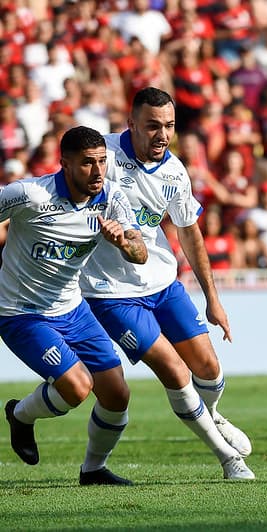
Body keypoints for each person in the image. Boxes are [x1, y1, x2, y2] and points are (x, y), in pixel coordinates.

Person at [79, 87, 255, 479]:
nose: (162, 135)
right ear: (131, 125)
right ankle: (228, 459)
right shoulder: (100, 157)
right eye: (153, 126)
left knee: (208, 368)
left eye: (169, 126)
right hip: (110, 292)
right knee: (175, 371)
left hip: (162, 283)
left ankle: (212, 413)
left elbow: (189, 234)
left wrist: (213, 299)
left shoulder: (175, 171)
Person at [3, 126, 147, 485]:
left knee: (117, 394)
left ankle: (93, 470)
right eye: (87, 164)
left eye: (102, 161)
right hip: (22, 312)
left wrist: (123, 243)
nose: (98, 172)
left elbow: (140, 253)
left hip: (72, 308)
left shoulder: (112, 197)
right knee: (78, 386)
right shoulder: (29, 194)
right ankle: (20, 416)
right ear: (64, 164)